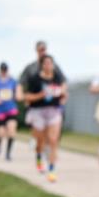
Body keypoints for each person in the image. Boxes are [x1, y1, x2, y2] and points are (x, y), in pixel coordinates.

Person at [17, 40, 67, 173]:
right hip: (37, 110)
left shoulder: (57, 73)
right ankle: (39, 155)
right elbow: (23, 90)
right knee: (40, 140)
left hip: (53, 110)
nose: (48, 65)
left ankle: (51, 169)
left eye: (44, 49)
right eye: (40, 49)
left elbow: (63, 86)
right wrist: (38, 95)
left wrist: (62, 95)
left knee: (53, 139)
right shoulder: (32, 72)